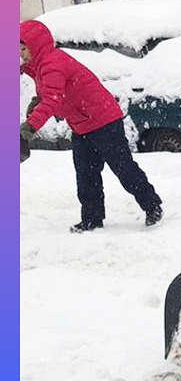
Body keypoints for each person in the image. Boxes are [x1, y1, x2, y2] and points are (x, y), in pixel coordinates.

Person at [19, 20, 163, 232]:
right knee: (86, 175)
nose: (22, 54)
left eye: (24, 48)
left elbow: (53, 99)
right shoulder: (42, 65)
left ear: (36, 45)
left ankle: (153, 206)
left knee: (124, 169)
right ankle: (92, 220)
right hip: (82, 124)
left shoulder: (52, 63)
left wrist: (29, 127)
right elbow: (50, 92)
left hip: (104, 121)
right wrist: (37, 100)